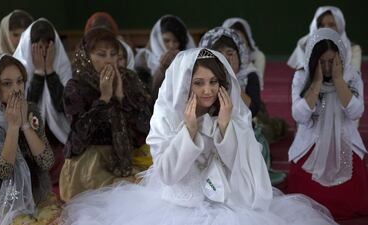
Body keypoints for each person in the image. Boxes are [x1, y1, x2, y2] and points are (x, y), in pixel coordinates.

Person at [60, 48, 337, 225]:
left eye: (214, 82)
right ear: (185, 83)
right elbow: (168, 174)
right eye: (199, 82)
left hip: (229, 203)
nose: (208, 90)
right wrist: (190, 131)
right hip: (175, 204)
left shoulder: (229, 114)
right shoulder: (167, 116)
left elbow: (242, 167)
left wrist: (226, 128)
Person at [59, 28, 152, 202]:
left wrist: (121, 98)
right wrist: (104, 99)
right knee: (117, 202)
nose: (108, 60)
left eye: (113, 54)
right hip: (89, 164)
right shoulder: (76, 87)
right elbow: (79, 139)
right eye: (101, 54)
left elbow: (146, 128)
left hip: (127, 158)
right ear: (86, 56)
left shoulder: (129, 79)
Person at [0, 55, 60, 225]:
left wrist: (25, 123)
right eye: (7, 83)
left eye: (20, 81)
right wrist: (12, 127)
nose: (17, 89)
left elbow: (47, 161)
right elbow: (4, 171)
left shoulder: (29, 109)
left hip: (35, 198)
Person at [287, 28, 368, 219]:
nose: (327, 67)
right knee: (306, 205)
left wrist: (339, 82)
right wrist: (316, 83)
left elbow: (356, 112)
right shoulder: (301, 76)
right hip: (311, 142)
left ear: (340, 58)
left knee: (352, 199)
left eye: (332, 61)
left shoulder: (352, 77)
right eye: (321, 62)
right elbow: (299, 116)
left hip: (344, 141)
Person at [199, 27, 286, 184]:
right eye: (220, 55)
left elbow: (252, 109)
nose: (226, 59)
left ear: (240, 54)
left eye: (230, 54)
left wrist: (231, 79)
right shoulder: (205, 79)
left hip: (244, 130)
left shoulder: (250, 75)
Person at [13, 18, 71, 184]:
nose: (43, 53)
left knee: (66, 163)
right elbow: (25, 110)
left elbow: (64, 107)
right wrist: (38, 73)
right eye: (38, 48)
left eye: (47, 47)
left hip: (56, 140)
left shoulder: (62, 66)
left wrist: (51, 72)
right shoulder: (16, 69)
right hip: (27, 138)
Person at [287, 6, 362, 72]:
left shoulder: (353, 49)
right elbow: (301, 80)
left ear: (340, 27)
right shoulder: (304, 44)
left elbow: (354, 79)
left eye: (331, 25)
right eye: (321, 25)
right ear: (315, 27)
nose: (326, 29)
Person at [134, 15, 195, 95]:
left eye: (175, 41)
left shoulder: (188, 57)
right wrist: (161, 68)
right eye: (166, 41)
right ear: (158, 39)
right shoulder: (144, 58)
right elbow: (147, 92)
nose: (171, 45)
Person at [222, 17, 265, 90]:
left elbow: (257, 88)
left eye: (241, 41)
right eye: (234, 40)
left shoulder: (256, 57)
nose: (238, 46)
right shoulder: (219, 57)